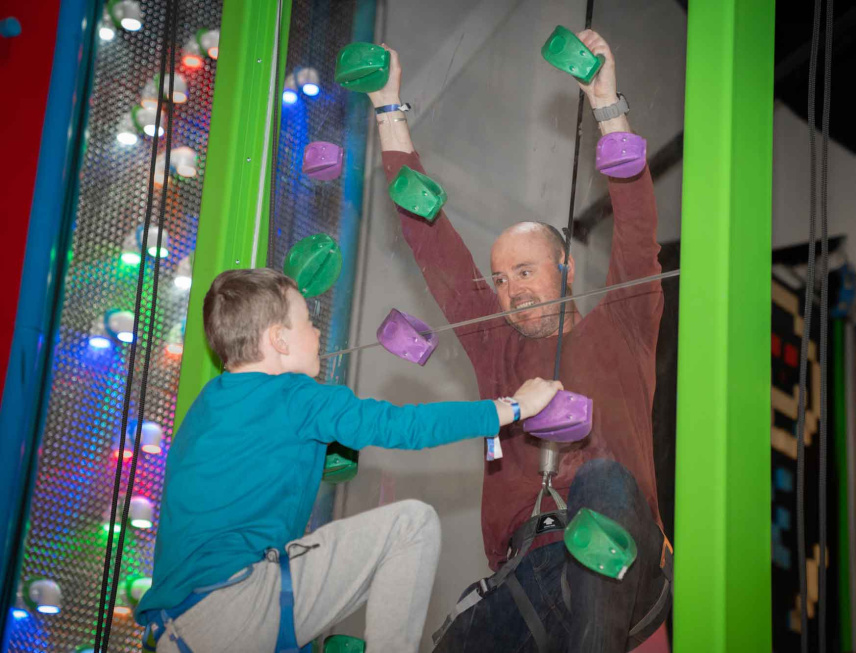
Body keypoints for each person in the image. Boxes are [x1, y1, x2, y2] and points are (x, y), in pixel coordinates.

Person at [369, 29, 671, 653]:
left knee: (603, 485)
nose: (511, 292)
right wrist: (387, 109)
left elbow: (637, 227)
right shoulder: (496, 351)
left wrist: (606, 100)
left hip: (620, 570)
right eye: (501, 280)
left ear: (564, 268)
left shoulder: (623, 327)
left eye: (525, 272)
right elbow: (435, 247)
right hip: (528, 581)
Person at [135, 268, 562, 653]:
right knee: (410, 525)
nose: (318, 333)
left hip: (176, 631)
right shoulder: (297, 396)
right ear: (279, 339)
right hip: (240, 604)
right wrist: (512, 408)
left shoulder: (205, 407)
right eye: (308, 320)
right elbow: (402, 426)